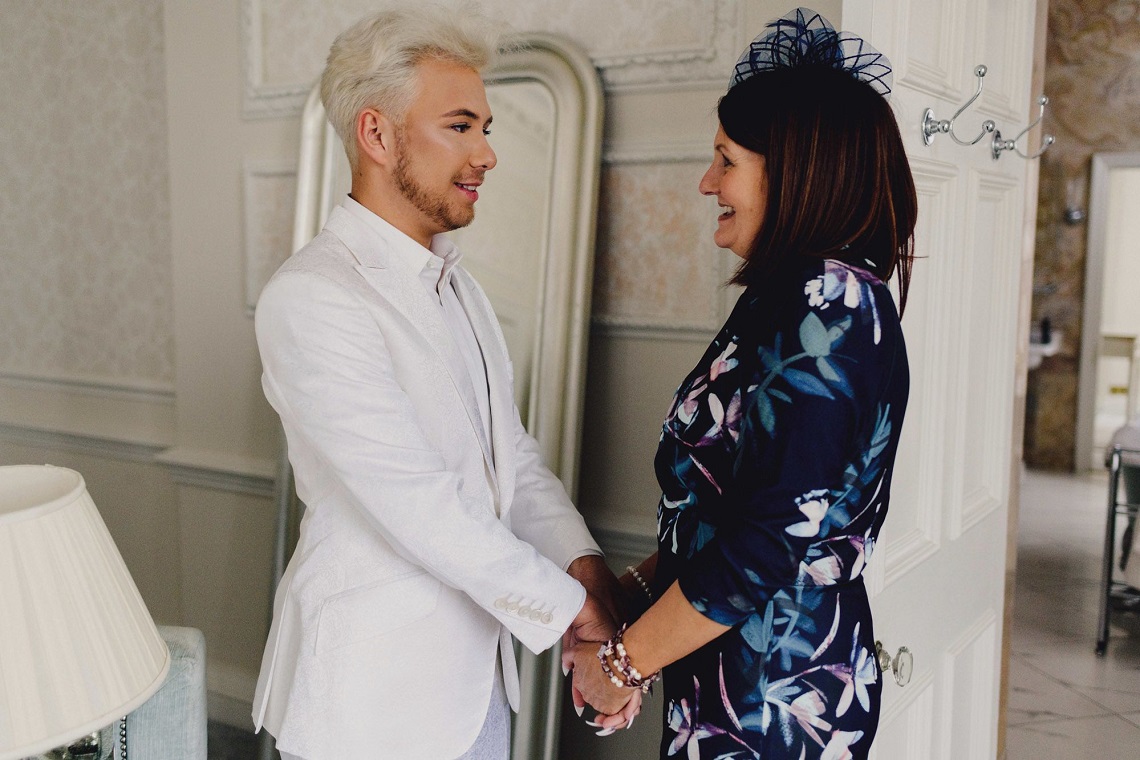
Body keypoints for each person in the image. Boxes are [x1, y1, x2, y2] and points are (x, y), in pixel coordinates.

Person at [250, 7, 621, 759]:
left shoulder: (459, 285)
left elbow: (509, 456)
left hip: (478, 681)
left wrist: (587, 570)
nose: (486, 153)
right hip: (373, 700)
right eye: (461, 126)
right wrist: (574, 611)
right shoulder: (313, 297)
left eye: (487, 128)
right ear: (378, 135)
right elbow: (418, 504)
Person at [565, 9, 917, 759]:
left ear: (793, 170)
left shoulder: (836, 307)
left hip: (776, 696)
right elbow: (732, 507)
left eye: (726, 160)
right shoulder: (787, 299)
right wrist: (627, 596)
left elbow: (766, 543)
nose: (706, 182)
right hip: (736, 673)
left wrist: (623, 664)